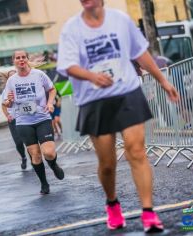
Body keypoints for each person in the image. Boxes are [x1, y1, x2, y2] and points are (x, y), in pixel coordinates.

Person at [57, 0, 179, 232]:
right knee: (107, 164)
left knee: (136, 151)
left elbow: (140, 53)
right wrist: (92, 76)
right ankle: (112, 203)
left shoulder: (120, 20)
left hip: (127, 92)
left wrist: (163, 80)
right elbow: (68, 65)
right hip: (94, 99)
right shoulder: (71, 29)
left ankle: (148, 212)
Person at [4, 50, 65, 194]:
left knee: (49, 153)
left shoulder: (38, 75)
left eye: (23, 57)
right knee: (36, 155)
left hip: (42, 118)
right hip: (23, 122)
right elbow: (7, 103)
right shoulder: (11, 81)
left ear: (27, 59)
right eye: (18, 58)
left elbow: (52, 89)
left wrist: (50, 103)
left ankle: (54, 165)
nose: (21, 60)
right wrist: (9, 101)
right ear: (14, 61)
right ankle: (44, 184)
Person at [0, 69, 28, 170]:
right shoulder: (5, 92)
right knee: (18, 142)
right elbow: (3, 105)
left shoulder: (23, 87)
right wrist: (7, 115)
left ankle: (34, 158)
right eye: (11, 76)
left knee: (28, 141)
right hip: (13, 120)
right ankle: (24, 157)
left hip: (24, 117)